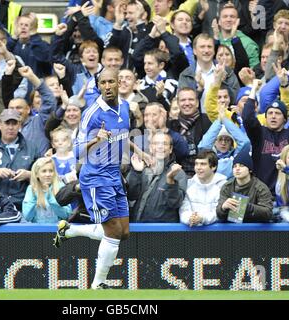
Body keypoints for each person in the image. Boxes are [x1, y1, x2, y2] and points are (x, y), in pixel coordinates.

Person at [54, 68, 136, 290]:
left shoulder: (125, 107)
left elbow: (122, 136)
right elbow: (78, 151)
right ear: (98, 86)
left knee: (124, 232)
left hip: (114, 176)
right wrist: (95, 140)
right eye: (103, 83)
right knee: (112, 231)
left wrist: (140, 151)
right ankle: (98, 285)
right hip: (96, 178)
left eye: (111, 81)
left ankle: (69, 230)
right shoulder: (92, 113)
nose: (108, 86)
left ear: (119, 83)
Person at [128, 131, 187, 222]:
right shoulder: (141, 167)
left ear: (170, 149)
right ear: (151, 148)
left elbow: (175, 203)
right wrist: (136, 172)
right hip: (137, 228)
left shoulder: (178, 172)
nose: (160, 147)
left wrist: (170, 182)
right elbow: (131, 195)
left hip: (162, 231)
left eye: (164, 144)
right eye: (156, 143)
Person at [217, 148, 274, 223]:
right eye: (234, 166)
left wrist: (247, 207)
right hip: (232, 227)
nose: (237, 169)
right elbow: (219, 214)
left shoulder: (260, 187)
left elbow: (268, 213)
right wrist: (223, 207)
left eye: (241, 166)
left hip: (255, 228)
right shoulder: (227, 187)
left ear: (250, 169)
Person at [179, 150, 227, 226]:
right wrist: (190, 219)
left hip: (217, 233)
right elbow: (183, 210)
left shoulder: (224, 186)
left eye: (203, 164)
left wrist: (202, 219)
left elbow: (221, 213)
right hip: (191, 231)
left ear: (213, 167)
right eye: (196, 164)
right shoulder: (188, 184)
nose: (198, 168)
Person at [22, 157, 72, 223]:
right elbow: (27, 216)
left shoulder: (61, 187)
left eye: (51, 171)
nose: (48, 174)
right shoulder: (31, 189)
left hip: (57, 229)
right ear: (37, 174)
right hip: (38, 230)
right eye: (44, 171)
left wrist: (50, 198)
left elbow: (66, 215)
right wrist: (35, 196)